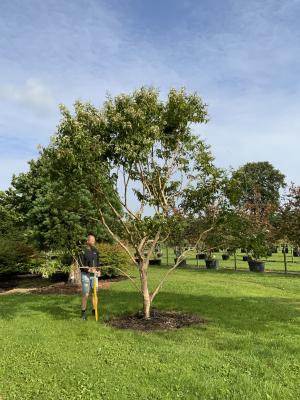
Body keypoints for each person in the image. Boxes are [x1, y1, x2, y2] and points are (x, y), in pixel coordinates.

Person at [77, 233, 101, 320]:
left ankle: (95, 310)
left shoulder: (96, 251)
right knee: (86, 294)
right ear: (87, 241)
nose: (93, 242)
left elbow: (98, 263)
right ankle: (83, 313)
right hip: (85, 275)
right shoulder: (82, 251)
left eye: (94, 241)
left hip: (94, 275)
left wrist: (98, 271)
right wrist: (88, 270)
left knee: (94, 293)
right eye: (91, 240)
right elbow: (81, 265)